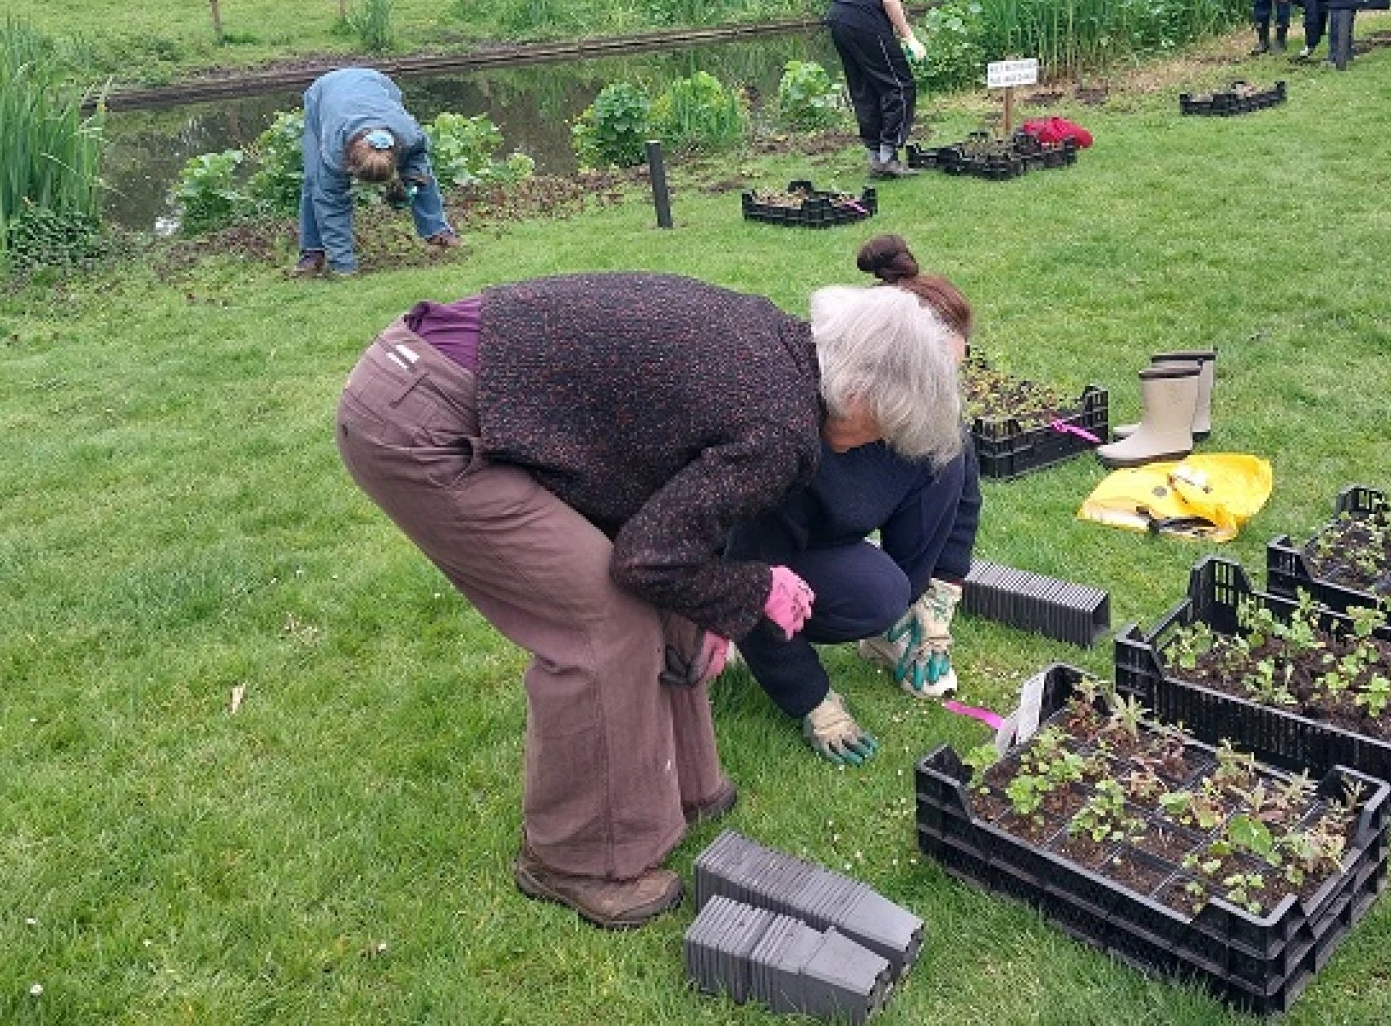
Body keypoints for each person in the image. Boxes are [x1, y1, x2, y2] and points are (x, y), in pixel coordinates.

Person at [334, 273, 966, 927]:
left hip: (473, 388)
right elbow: (647, 558)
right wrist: (756, 587)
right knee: (601, 623)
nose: (875, 442)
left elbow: (672, 527)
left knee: (668, 595)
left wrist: (714, 601)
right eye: (883, 427)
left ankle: (687, 789)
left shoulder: (782, 346)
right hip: (423, 420)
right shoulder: (782, 426)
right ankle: (574, 860)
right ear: (858, 393)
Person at [725, 234, 981, 765]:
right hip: (757, 553)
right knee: (874, 595)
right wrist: (812, 700)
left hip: (825, 538)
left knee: (947, 454)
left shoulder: (921, 417)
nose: (944, 390)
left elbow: (961, 504)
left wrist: (938, 598)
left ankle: (901, 629)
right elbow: (750, 569)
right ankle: (723, 636)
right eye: (937, 375)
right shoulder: (797, 436)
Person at [292, 67, 461, 277]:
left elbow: (418, 160)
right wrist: (343, 266)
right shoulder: (334, 154)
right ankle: (312, 252)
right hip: (325, 93)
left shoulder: (408, 135)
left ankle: (438, 232)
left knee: (421, 173)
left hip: (375, 83)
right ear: (349, 165)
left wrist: (410, 187)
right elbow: (331, 206)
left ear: (396, 154)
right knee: (315, 179)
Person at [826, 0, 945, 182]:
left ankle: (875, 155)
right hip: (864, 21)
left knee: (864, 88)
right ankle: (887, 158)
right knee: (899, 86)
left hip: (839, 19)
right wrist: (909, 37)